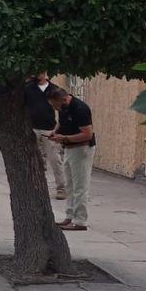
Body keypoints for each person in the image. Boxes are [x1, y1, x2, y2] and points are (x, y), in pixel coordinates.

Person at [48, 87, 96, 231]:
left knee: (80, 186)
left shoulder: (80, 109)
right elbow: (61, 122)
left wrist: (65, 138)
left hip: (82, 149)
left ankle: (80, 221)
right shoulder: (63, 108)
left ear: (63, 99)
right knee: (69, 185)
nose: (54, 108)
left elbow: (87, 134)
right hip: (69, 148)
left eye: (55, 105)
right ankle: (69, 216)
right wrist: (55, 131)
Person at [25, 72, 67, 200]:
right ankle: (38, 187)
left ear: (44, 73)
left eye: (39, 72)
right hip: (33, 128)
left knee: (55, 159)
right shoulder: (28, 88)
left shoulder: (53, 89)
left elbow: (62, 109)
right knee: (37, 161)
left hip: (49, 129)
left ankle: (61, 188)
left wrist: (58, 129)